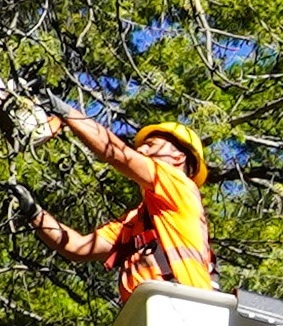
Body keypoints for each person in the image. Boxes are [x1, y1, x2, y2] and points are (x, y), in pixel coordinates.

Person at [22, 97, 215, 297]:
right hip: (152, 312)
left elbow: (118, 155)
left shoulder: (180, 186)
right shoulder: (136, 221)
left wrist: (66, 112)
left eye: (151, 145)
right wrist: (33, 212)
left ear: (178, 157)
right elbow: (77, 247)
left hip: (185, 304)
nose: (141, 150)